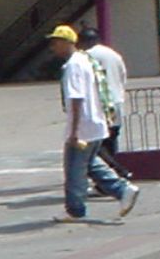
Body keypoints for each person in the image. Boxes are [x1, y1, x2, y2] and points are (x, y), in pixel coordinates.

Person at [46, 24, 139, 222]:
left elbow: (77, 98)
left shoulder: (73, 66)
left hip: (84, 127)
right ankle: (123, 190)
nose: (52, 47)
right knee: (90, 164)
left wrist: (74, 131)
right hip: (96, 123)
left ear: (66, 43)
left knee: (74, 169)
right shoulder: (85, 60)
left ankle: (75, 210)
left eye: (55, 43)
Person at [77, 26, 131, 179]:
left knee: (95, 144)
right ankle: (113, 174)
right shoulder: (114, 54)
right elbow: (122, 78)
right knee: (111, 140)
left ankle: (116, 172)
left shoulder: (84, 56)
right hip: (116, 101)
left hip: (98, 105)